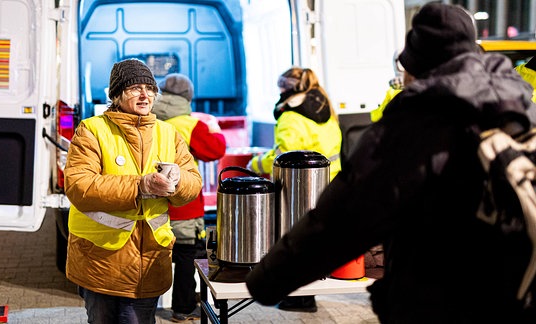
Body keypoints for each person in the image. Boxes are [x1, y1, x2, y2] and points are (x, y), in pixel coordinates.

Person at [245, 3, 536, 323]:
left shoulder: (415, 127)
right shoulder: (522, 108)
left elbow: (340, 221)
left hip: (442, 305)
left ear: (414, 66)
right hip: (516, 297)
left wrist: (266, 281)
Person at [64, 58, 202, 323]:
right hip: (100, 259)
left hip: (150, 258)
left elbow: (193, 183)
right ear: (116, 95)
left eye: (150, 89)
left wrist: (178, 181)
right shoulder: (92, 130)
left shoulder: (168, 133)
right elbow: (79, 186)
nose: (144, 95)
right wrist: (140, 185)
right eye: (134, 88)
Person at [247, 66, 342, 312]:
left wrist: (255, 162)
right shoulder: (326, 109)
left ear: (286, 87)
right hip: (329, 182)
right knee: (313, 242)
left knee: (295, 242)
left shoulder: (291, 115)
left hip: (303, 185)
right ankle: (307, 295)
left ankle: (298, 297)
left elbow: (283, 156)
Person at [154, 73, 226, 322]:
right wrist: (213, 127)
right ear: (188, 98)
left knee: (151, 253)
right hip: (182, 203)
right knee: (187, 255)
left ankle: (144, 304)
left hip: (149, 202)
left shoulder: (147, 118)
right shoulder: (190, 124)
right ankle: (183, 307)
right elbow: (216, 149)